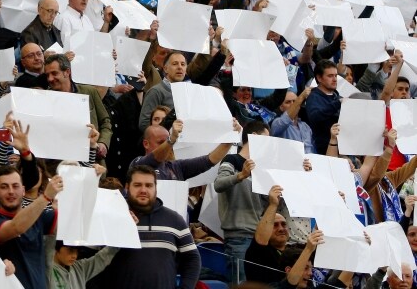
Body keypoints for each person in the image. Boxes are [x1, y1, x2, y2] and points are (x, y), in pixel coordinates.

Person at [100, 164, 200, 289]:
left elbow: (192, 259)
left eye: (149, 185)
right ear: (127, 187)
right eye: (137, 185)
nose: (143, 190)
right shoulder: (111, 217)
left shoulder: (174, 220)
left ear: (155, 189)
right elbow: (89, 259)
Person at [0, 166, 63, 289]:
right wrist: (46, 197)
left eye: (15, 186)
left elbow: (74, 218)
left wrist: (90, 177)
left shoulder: (38, 217)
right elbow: (16, 227)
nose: (11, 191)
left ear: (23, 190)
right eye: (4, 187)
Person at [214, 120, 271, 284]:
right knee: (242, 284)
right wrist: (241, 175)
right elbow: (219, 184)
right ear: (254, 136)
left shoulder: (262, 168)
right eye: (266, 138)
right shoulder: (232, 160)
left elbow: (271, 202)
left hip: (259, 237)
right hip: (238, 237)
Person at [43, 54, 112, 157]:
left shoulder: (89, 91)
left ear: (67, 72)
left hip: (92, 160)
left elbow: (105, 121)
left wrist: (103, 143)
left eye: (54, 73)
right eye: (47, 75)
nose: (50, 79)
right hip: (60, 161)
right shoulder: (45, 99)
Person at [244, 184, 291, 284]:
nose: (281, 228)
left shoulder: (294, 251)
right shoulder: (260, 252)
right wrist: (273, 204)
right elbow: (261, 240)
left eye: (283, 224)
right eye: (275, 225)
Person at [304, 60, 342, 154]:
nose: (334, 79)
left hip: (343, 148)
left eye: (335, 75)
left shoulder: (336, 96)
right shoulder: (314, 97)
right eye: (330, 76)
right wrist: (337, 104)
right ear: (319, 78)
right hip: (325, 150)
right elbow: (315, 116)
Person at [47, 240, 117, 289]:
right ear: (56, 248)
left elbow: (102, 258)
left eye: (77, 251)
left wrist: (119, 241)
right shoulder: (46, 271)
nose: (74, 255)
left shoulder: (79, 267)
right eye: (70, 250)